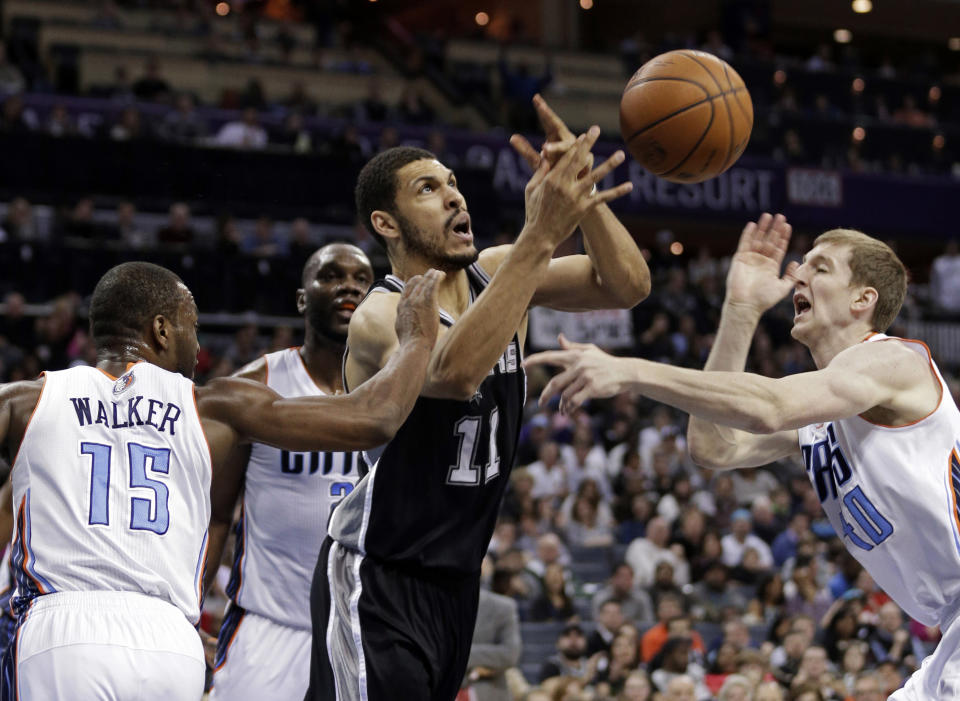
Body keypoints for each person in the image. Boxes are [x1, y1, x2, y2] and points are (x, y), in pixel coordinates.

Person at [526, 212, 960, 700]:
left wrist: (629, 370)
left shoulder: (896, 360)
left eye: (820, 267)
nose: (798, 273)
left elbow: (770, 407)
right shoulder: (825, 414)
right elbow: (714, 446)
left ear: (864, 299)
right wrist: (739, 309)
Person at [306, 94, 649, 700]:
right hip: (380, 575)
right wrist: (541, 233)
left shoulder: (500, 272)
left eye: (454, 184)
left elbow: (626, 286)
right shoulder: (381, 313)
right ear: (386, 223)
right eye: (428, 189)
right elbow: (456, 371)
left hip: (458, 585)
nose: (454, 197)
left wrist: (582, 200)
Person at [0, 260, 441, 699]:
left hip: (62, 634)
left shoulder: (25, 401)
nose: (198, 347)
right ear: (161, 330)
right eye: (191, 325)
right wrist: (418, 339)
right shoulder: (213, 408)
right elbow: (375, 418)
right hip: (169, 642)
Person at [205, 244, 374, 700]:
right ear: (302, 299)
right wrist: (185, 612)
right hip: (268, 629)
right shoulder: (255, 386)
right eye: (332, 276)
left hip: (365, 631)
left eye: (361, 279)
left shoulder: (394, 393)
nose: (349, 287)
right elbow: (216, 515)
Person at [461, 587, 522, 701]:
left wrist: (458, 655)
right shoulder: (433, 603)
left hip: (489, 692)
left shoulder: (503, 606)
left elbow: (510, 654)